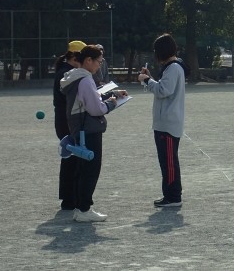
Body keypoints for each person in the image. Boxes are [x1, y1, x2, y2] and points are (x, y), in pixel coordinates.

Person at [61, 45, 127, 222]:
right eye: (99, 61)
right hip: (88, 129)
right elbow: (96, 108)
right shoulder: (85, 79)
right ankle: (84, 209)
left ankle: (80, 208)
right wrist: (111, 103)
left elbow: (90, 98)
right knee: (91, 170)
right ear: (88, 60)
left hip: (80, 128)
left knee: (83, 169)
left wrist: (112, 95)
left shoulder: (75, 77)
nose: (100, 65)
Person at [138, 34, 186, 207]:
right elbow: (163, 87)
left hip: (168, 123)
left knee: (169, 163)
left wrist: (147, 80)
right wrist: (150, 79)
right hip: (165, 122)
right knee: (166, 162)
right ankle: (170, 194)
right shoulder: (172, 67)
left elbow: (163, 90)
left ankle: (173, 196)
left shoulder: (173, 68)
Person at [52, 40, 86, 210]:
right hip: (67, 120)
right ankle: (69, 198)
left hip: (64, 119)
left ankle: (69, 197)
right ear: (74, 57)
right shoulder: (66, 73)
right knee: (72, 159)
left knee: (70, 158)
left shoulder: (65, 71)